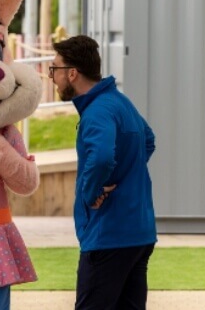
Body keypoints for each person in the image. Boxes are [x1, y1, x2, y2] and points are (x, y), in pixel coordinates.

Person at [50, 35, 157, 310]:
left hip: (109, 233)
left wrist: (91, 192)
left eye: (55, 69)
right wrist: (125, 176)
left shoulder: (97, 111)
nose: (53, 77)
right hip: (139, 233)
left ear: (72, 73)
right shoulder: (120, 102)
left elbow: (100, 158)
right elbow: (148, 140)